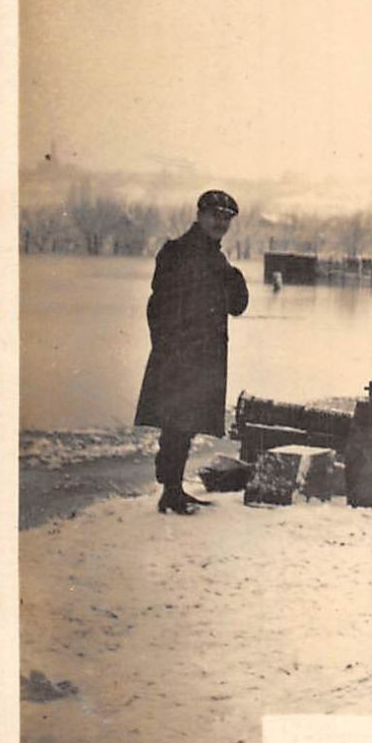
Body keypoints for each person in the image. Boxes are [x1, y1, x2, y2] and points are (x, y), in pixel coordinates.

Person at [134, 190, 250, 514]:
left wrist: (235, 278)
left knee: (185, 423)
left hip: (204, 357)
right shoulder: (177, 252)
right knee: (177, 422)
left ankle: (173, 488)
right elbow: (156, 306)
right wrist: (167, 348)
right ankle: (170, 490)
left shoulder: (217, 259)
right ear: (199, 215)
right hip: (180, 355)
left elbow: (237, 306)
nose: (221, 223)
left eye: (226, 218)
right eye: (215, 215)